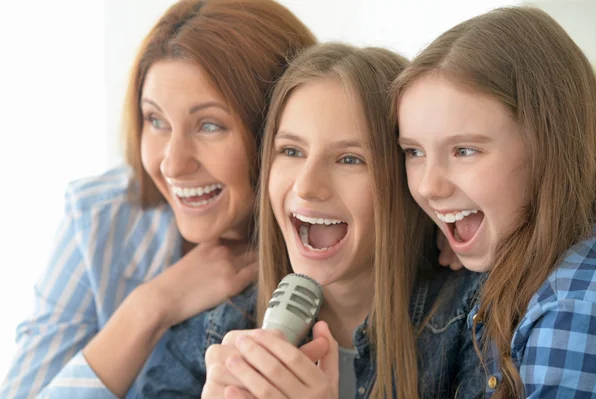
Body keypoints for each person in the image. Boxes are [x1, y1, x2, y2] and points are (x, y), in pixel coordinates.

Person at [0, 1, 316, 398]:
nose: (173, 163)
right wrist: (150, 306)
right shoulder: (100, 215)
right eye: (156, 120)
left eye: (209, 125)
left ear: (278, 128)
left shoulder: (325, 247)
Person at [142, 43, 485, 399]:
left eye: (350, 159)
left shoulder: (469, 322)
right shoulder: (219, 327)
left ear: (406, 179)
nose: (306, 186)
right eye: (291, 151)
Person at [395, 6, 596, 397]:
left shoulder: (573, 310)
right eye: (414, 152)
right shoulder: (520, 266)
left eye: (465, 150)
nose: (429, 187)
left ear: (549, 147)